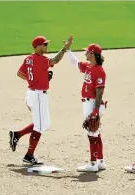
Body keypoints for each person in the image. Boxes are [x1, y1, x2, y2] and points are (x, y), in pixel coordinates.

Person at [9, 35, 73, 165]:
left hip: (32, 94)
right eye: (44, 44)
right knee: (39, 126)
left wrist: (36, 79)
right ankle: (29, 155)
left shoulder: (28, 59)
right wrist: (65, 48)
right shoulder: (41, 59)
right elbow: (55, 60)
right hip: (37, 96)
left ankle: (17, 135)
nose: (46, 46)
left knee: (45, 122)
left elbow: (20, 74)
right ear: (37, 47)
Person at [66, 39, 107, 172]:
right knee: (96, 132)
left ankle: (93, 164)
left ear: (93, 54)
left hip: (92, 104)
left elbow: (100, 91)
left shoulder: (99, 71)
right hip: (89, 103)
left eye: (87, 52)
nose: (85, 54)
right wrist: (67, 50)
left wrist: (95, 110)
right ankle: (100, 161)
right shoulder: (89, 67)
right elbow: (75, 62)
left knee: (92, 133)